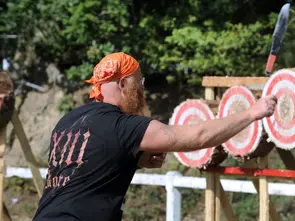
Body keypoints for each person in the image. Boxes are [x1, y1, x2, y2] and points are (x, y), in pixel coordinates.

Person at [33, 52, 277, 221]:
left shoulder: (67, 121)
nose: (142, 90)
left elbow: (86, 167)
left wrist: (135, 161)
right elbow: (199, 136)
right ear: (123, 84)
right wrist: (253, 113)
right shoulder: (122, 125)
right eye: (140, 82)